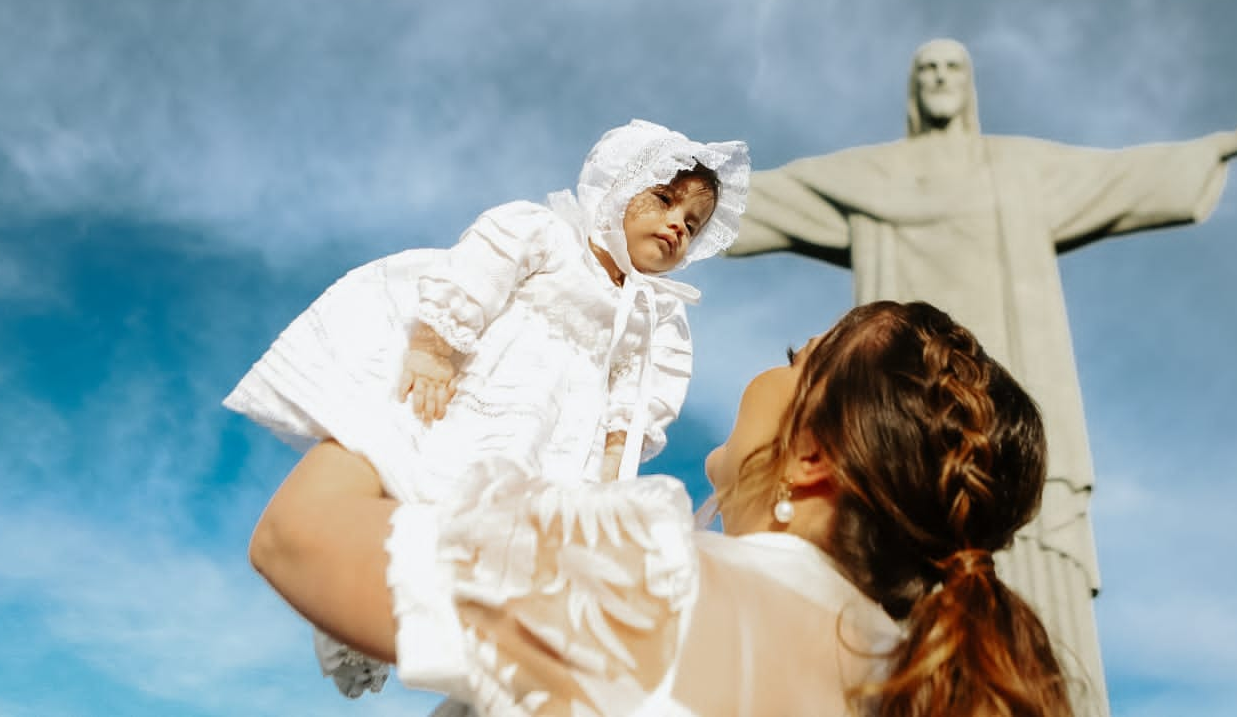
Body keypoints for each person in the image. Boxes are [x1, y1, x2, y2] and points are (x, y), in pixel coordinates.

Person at [725, 38, 1237, 713]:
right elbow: (779, 197)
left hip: (995, 419)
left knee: (1021, 548)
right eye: (926, 69)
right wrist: (675, 194)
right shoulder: (876, 175)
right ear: (912, 90)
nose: (939, 79)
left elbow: (1121, 177)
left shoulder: (1016, 168)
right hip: (895, 426)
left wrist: (1222, 147)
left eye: (953, 67)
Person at [248, 300, 1078, 717]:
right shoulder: (919, 683)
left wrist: (459, 378)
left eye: (801, 359)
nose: (772, 367)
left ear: (811, 455)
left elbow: (299, 538)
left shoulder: (653, 583)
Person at [224, 118, 749, 696]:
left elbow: (639, 398)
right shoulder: (548, 235)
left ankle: (470, 661)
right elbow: (478, 273)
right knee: (416, 478)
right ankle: (350, 602)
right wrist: (434, 349)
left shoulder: (657, 315)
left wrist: (612, 463)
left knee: (503, 542)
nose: (678, 224)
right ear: (620, 186)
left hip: (559, 440)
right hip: (483, 395)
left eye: (693, 224)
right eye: (665, 199)